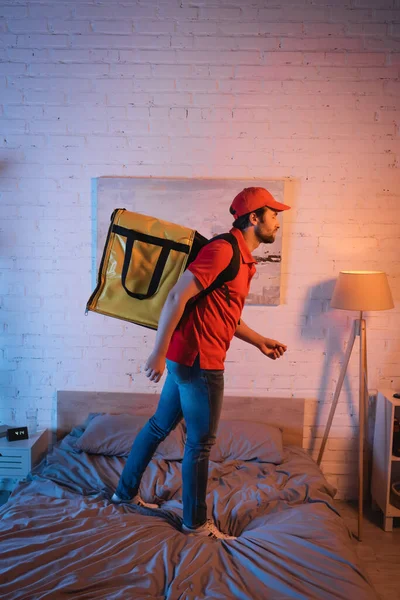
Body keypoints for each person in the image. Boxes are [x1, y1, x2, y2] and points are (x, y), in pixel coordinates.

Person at [111, 187, 290, 540]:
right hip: (199, 363)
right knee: (200, 444)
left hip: (186, 359)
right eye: (273, 215)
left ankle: (123, 492)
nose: (278, 223)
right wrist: (157, 352)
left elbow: (225, 314)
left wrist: (259, 342)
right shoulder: (224, 250)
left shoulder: (241, 258)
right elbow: (178, 294)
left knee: (159, 426)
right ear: (253, 218)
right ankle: (194, 523)